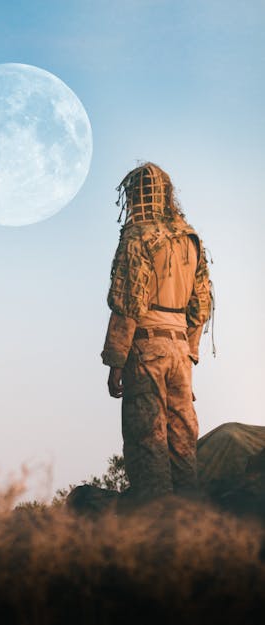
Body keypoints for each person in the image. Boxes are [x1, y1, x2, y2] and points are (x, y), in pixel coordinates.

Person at [101, 162, 213, 501]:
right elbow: (202, 303)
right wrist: (189, 350)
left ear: (135, 196)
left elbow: (128, 303)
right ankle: (191, 520)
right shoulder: (189, 238)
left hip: (146, 349)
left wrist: (116, 361)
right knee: (183, 438)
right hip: (180, 351)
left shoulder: (137, 237)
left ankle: (157, 525)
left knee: (147, 438)